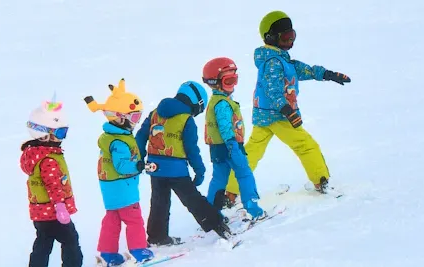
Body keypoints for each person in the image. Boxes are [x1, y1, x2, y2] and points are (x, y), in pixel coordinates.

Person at [223, 10, 352, 205]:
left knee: (251, 152)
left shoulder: (279, 58)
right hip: (279, 116)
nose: (290, 41)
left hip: (263, 115)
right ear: (270, 37)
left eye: (292, 36)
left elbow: (303, 69)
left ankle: (231, 192)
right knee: (305, 145)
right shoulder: (274, 62)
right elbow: (273, 90)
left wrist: (328, 74)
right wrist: (287, 111)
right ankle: (321, 181)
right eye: (285, 37)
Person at [134, 80, 234, 245]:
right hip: (176, 170)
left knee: (159, 202)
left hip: (155, 168)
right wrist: (199, 170)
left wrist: (139, 157)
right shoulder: (187, 120)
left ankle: (157, 236)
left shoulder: (155, 113)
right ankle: (217, 224)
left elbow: (141, 136)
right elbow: (191, 149)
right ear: (196, 103)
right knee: (192, 199)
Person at [84, 78, 155, 266]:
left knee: (112, 219)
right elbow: (122, 166)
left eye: (138, 117)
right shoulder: (119, 141)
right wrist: (139, 166)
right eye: (133, 117)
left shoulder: (110, 137)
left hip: (109, 187)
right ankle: (139, 251)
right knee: (134, 219)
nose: (136, 122)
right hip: (123, 186)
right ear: (118, 117)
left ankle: (108, 253)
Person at [200, 57, 266, 219]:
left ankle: (211, 212)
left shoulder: (216, 101)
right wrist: (232, 145)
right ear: (215, 82)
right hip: (230, 146)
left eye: (235, 80)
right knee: (244, 174)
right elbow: (225, 126)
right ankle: (253, 208)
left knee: (219, 179)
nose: (233, 85)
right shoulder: (222, 104)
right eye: (229, 81)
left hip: (217, 148)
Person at [22, 96, 83, 267]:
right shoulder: (49, 159)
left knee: (43, 241)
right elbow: (53, 185)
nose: (62, 137)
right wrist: (60, 207)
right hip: (54, 212)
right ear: (43, 135)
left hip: (39, 212)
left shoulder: (34, 154)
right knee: (71, 240)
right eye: (59, 133)